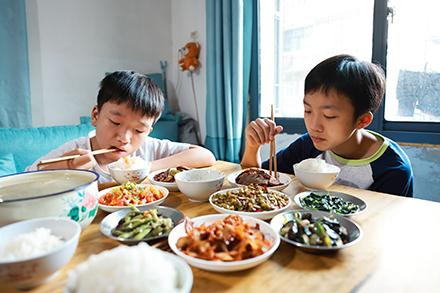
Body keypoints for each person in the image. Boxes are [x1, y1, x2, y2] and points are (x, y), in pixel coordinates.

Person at [241, 54, 413, 197]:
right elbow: (255, 180)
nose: (314, 126)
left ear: (362, 120)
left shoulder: (392, 168)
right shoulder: (308, 145)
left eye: (329, 116)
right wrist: (252, 146)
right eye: (308, 111)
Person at [27, 70, 216, 182]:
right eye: (115, 122)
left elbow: (206, 156)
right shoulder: (78, 151)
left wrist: (146, 167)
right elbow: (26, 179)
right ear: (95, 115)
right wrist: (66, 165)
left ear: (148, 131)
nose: (124, 138)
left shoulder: (148, 149)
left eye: (139, 130)